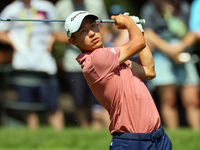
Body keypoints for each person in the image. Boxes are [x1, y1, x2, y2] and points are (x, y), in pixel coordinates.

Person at [64, 10, 172, 150]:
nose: (91, 33)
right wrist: (130, 24)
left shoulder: (113, 59)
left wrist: (138, 29)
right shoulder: (96, 60)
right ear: (73, 41)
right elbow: (137, 43)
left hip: (158, 137)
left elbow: (149, 71)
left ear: (98, 26)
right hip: (131, 141)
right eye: (83, 32)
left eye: (92, 26)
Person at [0, 0, 65, 130]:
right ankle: (33, 136)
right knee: (28, 107)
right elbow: (1, 32)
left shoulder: (47, 7)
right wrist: (14, 42)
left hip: (45, 64)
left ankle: (61, 136)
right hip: (22, 64)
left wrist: (52, 38)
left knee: (53, 106)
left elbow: (58, 31)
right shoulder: (11, 9)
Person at [140, 0, 200, 130]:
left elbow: (194, 30)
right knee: (169, 99)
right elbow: (148, 33)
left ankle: (197, 134)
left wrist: (180, 47)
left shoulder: (183, 6)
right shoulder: (150, 8)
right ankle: (173, 134)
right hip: (161, 55)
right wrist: (168, 49)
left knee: (193, 100)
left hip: (183, 52)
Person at [54, 0, 110, 129]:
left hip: (99, 60)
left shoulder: (97, 3)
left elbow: (105, 28)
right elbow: (56, 34)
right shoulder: (61, 6)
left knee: (100, 99)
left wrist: (88, 39)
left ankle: (98, 127)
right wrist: (80, 40)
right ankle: (84, 128)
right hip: (72, 62)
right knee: (79, 100)